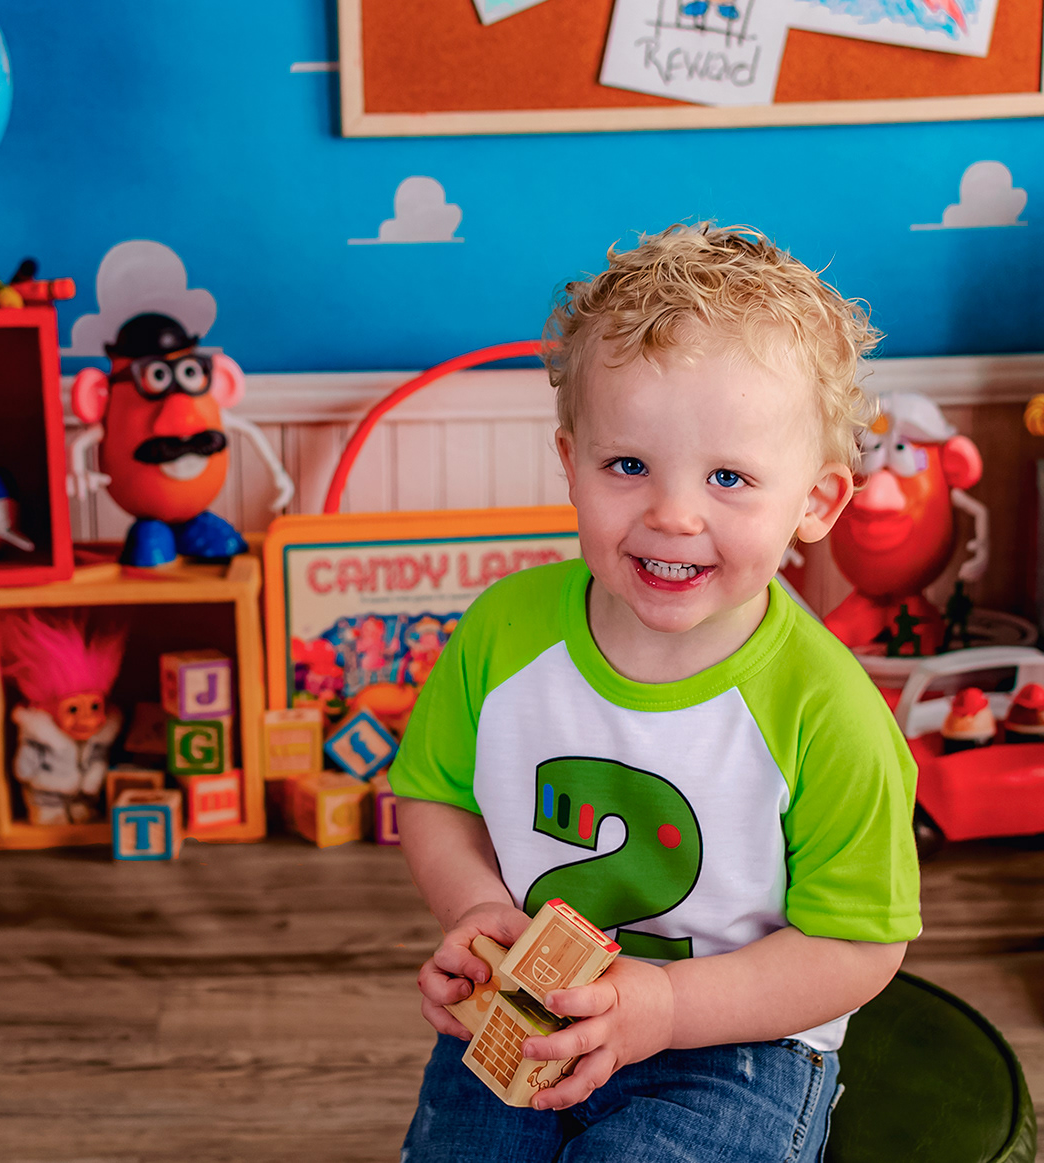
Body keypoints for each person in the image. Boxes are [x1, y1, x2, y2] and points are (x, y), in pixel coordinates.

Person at [390, 224, 919, 1162]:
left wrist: (666, 1006)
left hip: (737, 1040)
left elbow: (858, 947)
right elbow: (433, 794)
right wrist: (473, 907)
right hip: (536, 999)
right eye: (628, 465)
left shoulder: (828, 711)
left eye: (729, 477)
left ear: (817, 502)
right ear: (571, 462)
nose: (674, 514)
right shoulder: (504, 634)